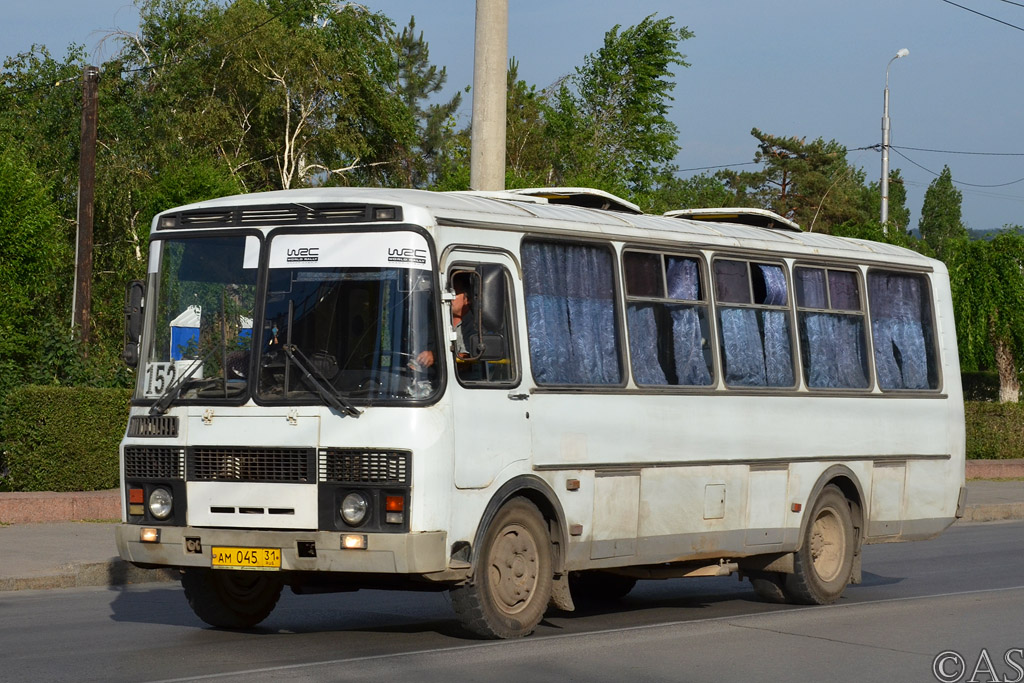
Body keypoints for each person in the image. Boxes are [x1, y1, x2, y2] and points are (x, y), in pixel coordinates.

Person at [416, 272, 475, 368]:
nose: (450, 298)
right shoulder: (436, 321)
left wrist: (435, 357)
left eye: (454, 293)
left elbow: (467, 360)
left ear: (467, 299)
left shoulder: (474, 325)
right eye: (448, 293)